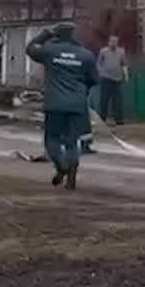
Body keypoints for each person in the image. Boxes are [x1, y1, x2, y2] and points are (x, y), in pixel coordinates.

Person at [28, 22, 95, 189]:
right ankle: (71, 176)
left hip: (54, 104)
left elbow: (30, 48)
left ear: (56, 34)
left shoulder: (50, 51)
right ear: (73, 34)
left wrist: (45, 35)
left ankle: (61, 167)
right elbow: (94, 79)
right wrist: (81, 90)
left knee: (52, 139)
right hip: (77, 105)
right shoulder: (85, 54)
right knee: (73, 142)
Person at [95, 33, 129, 126]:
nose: (113, 43)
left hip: (117, 79)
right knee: (104, 100)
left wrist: (126, 75)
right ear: (109, 42)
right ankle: (102, 119)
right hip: (106, 79)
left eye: (115, 41)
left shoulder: (121, 52)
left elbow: (124, 64)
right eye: (112, 41)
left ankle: (119, 120)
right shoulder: (103, 51)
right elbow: (98, 63)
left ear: (117, 42)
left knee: (117, 101)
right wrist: (100, 72)